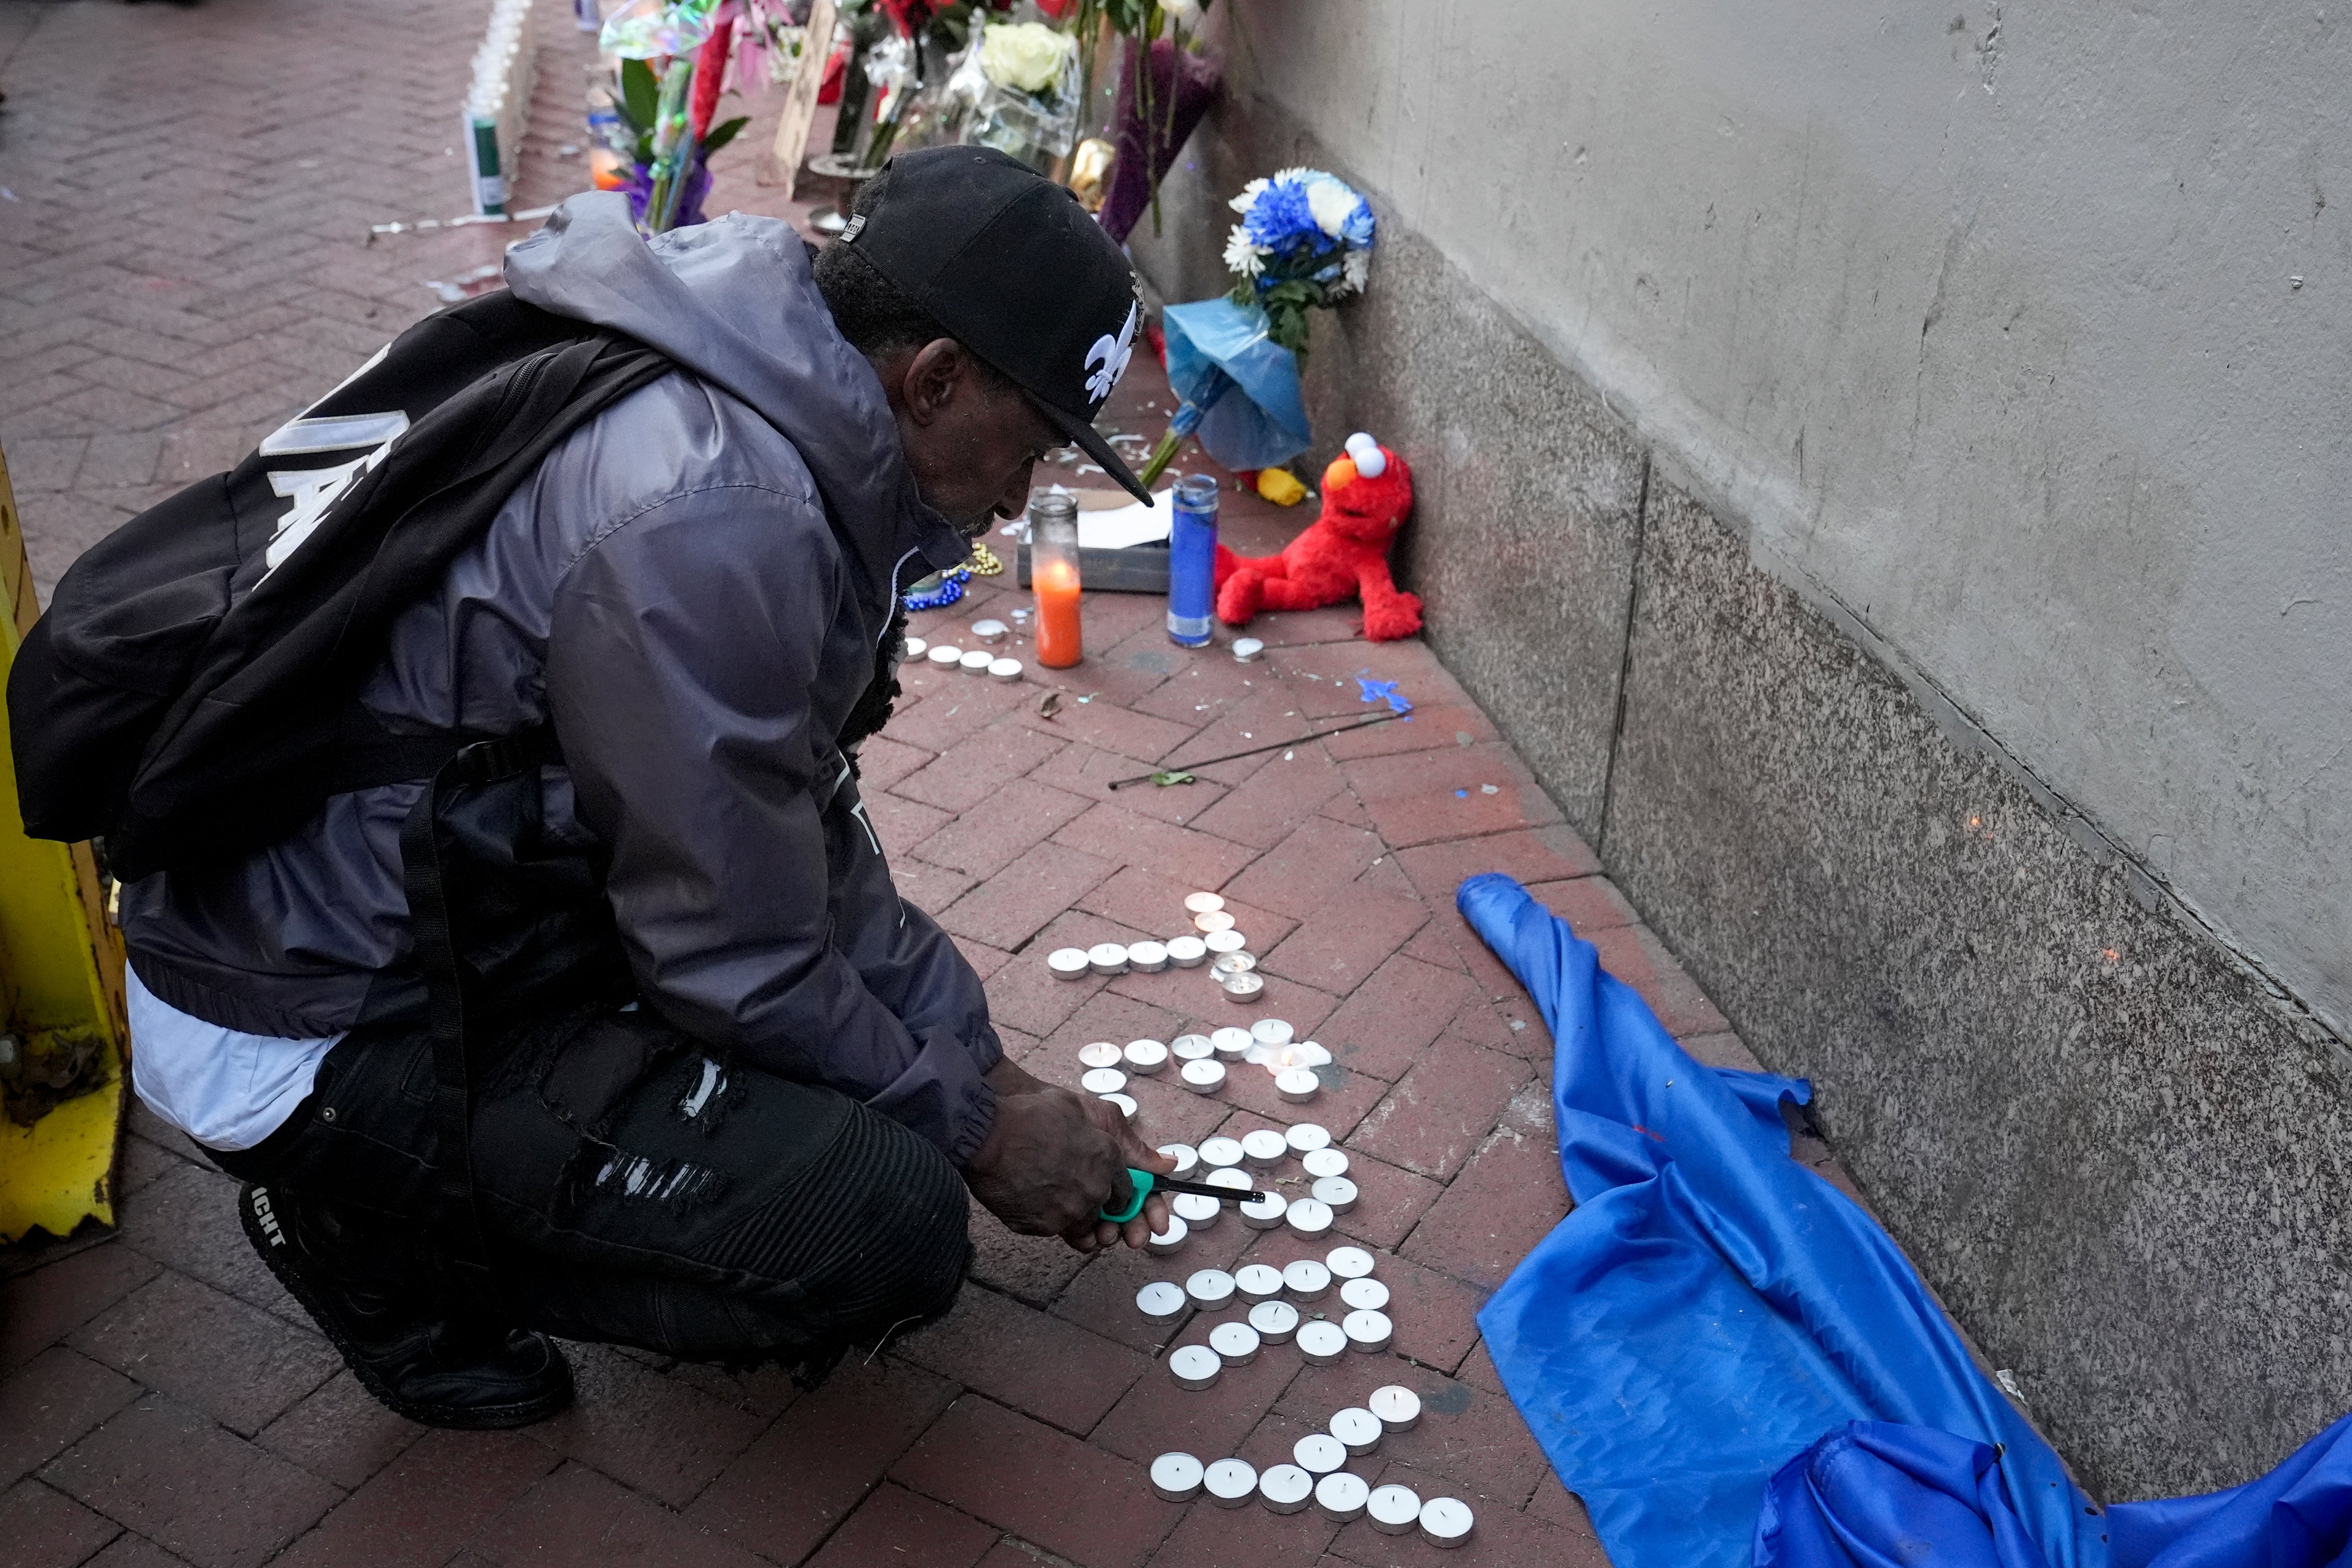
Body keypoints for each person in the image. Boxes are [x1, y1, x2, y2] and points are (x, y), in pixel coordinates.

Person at [114, 148, 1174, 1428]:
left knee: (868, 1079)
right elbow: (736, 952)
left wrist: (984, 1068)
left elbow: (788, 827)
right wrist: (980, 1134)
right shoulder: (722, 514)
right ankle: (367, 1232)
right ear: (935, 379)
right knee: (881, 1223)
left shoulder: (767, 385)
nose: (1021, 497)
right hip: (313, 1007)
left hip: (434, 908)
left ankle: (470, 1165)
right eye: (1034, 444)